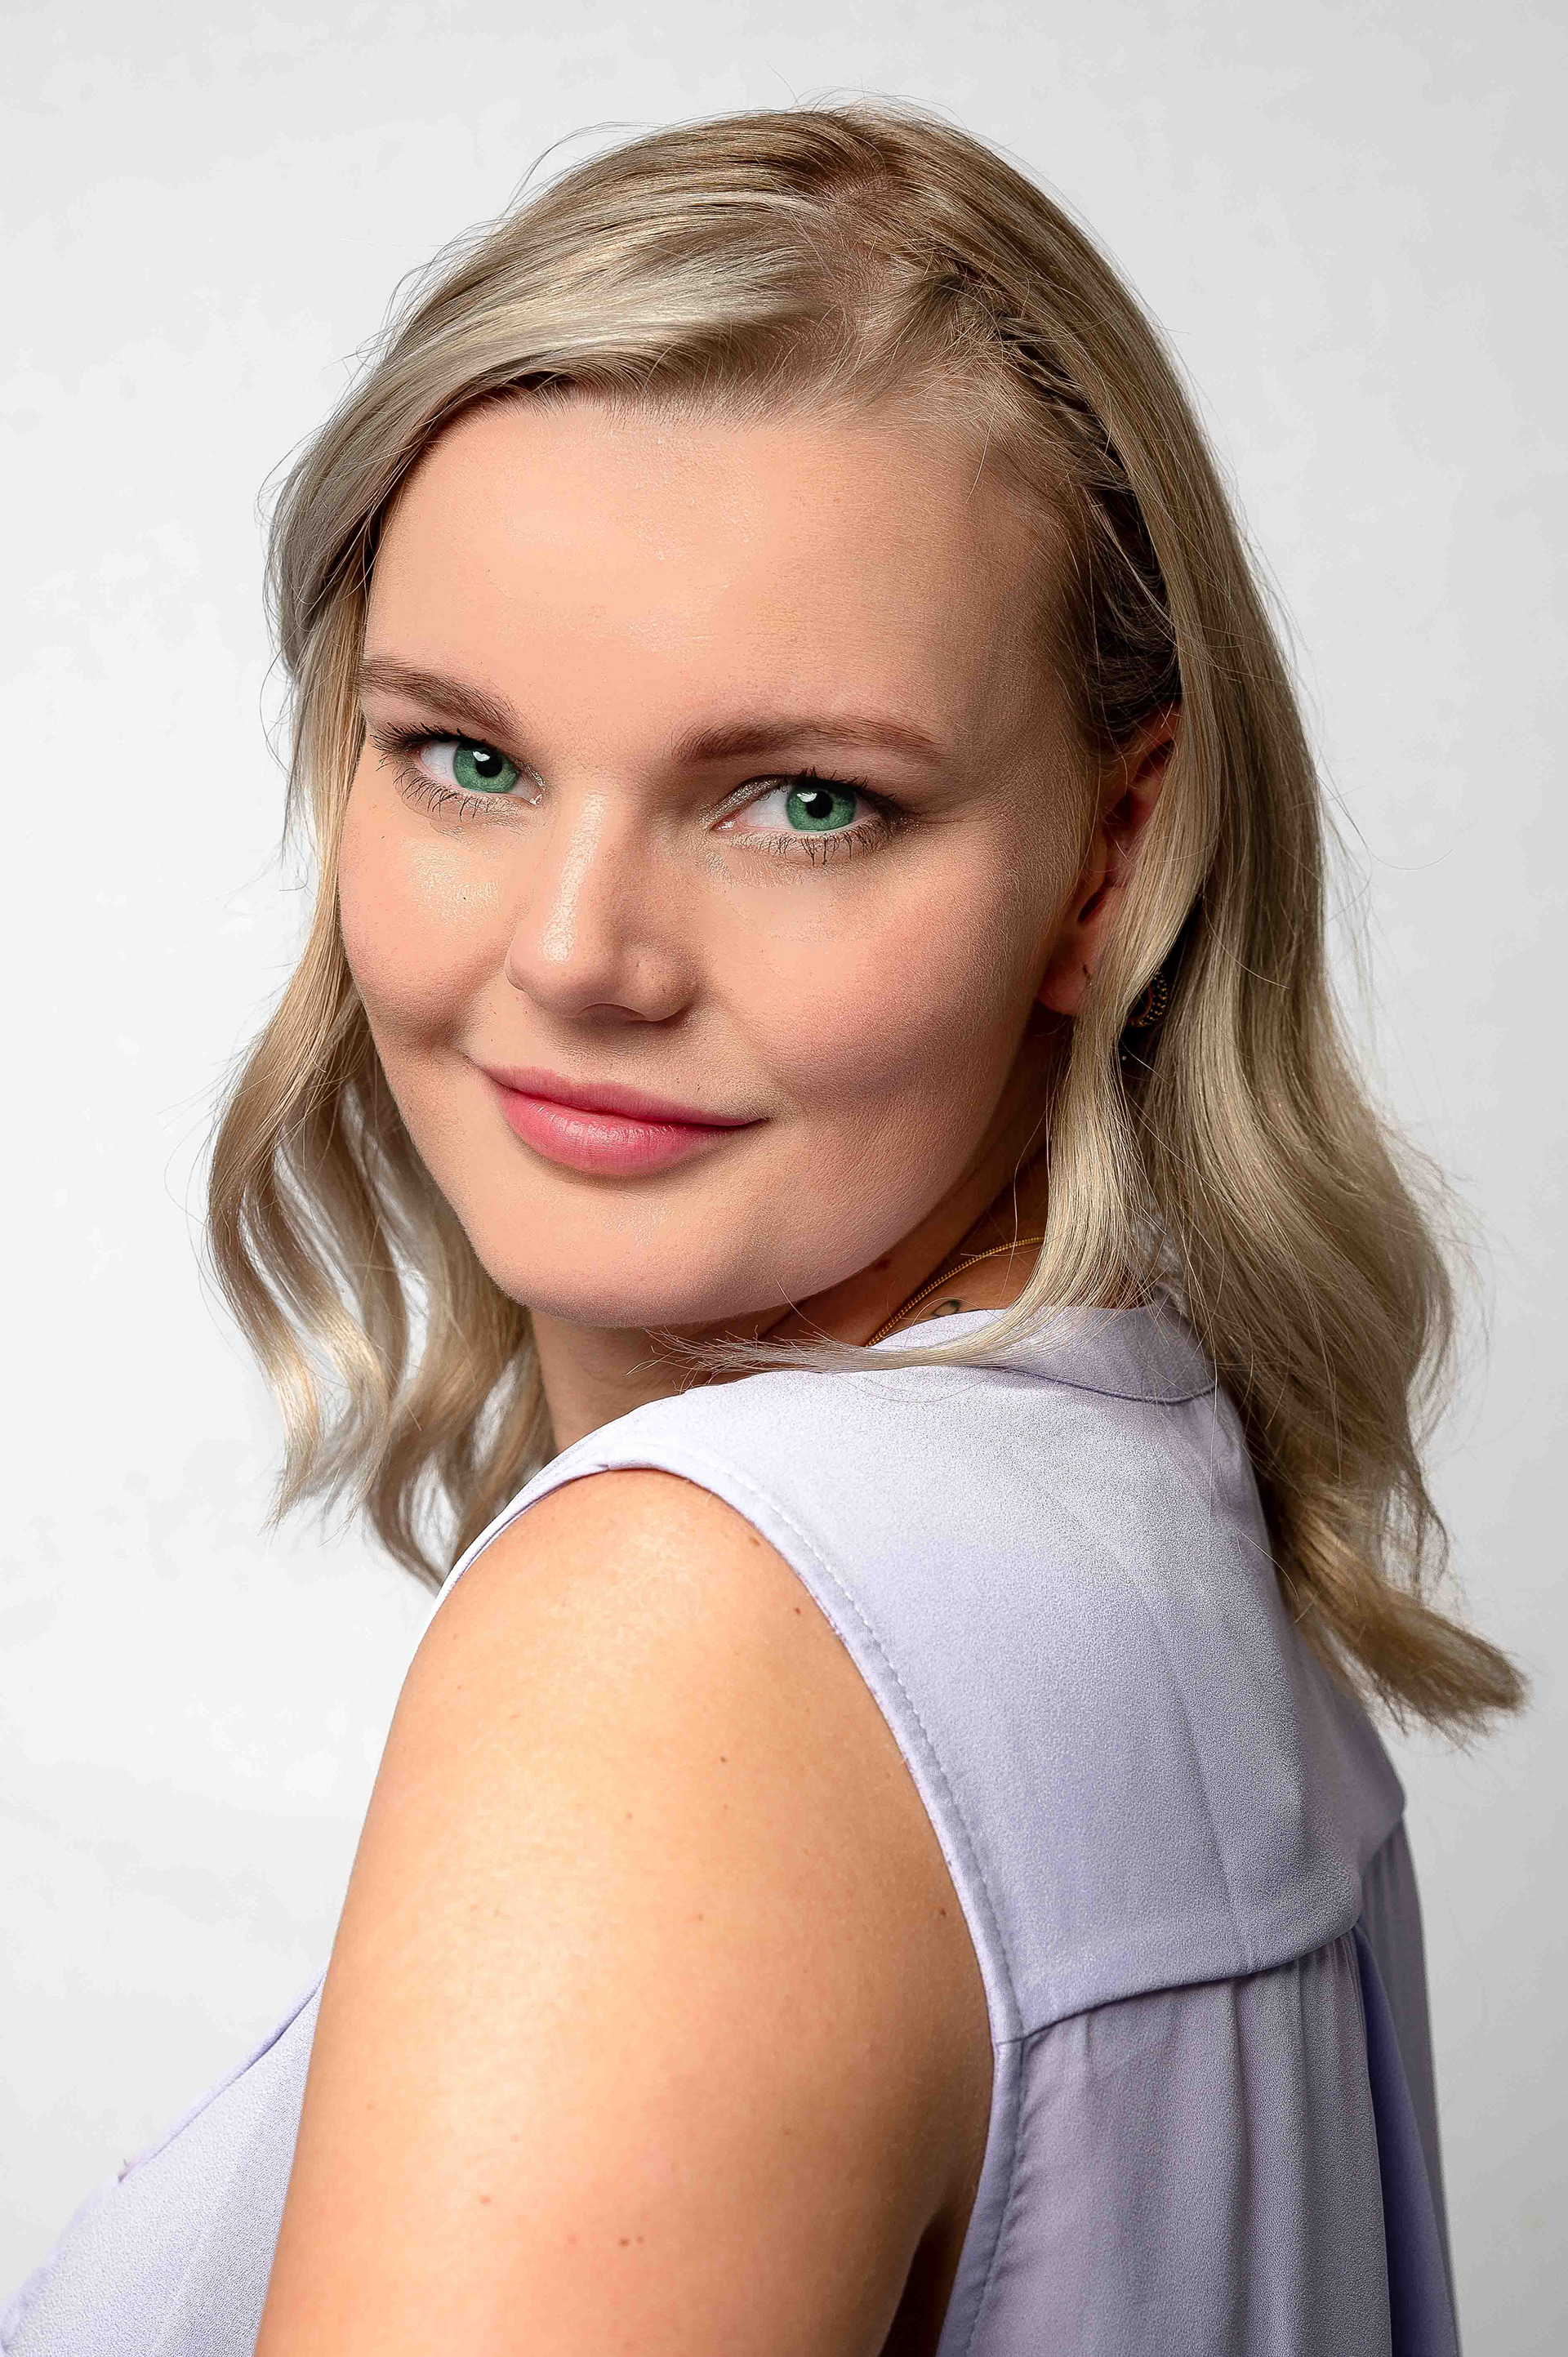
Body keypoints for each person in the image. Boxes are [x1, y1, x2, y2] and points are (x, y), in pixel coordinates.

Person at [2, 100, 1524, 2357]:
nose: (578, 955)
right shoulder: (1153, 1524)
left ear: (1113, 856)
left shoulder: (694, 1647)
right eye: (468, 758)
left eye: (807, 801)